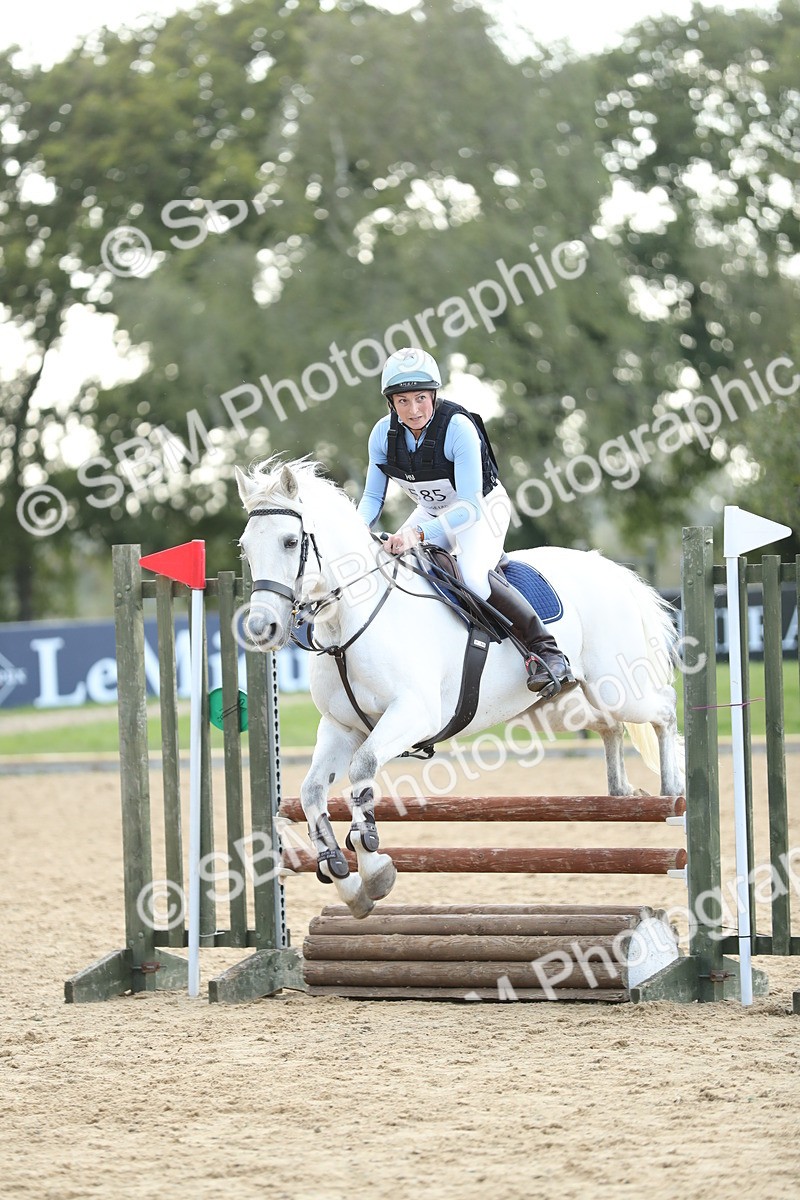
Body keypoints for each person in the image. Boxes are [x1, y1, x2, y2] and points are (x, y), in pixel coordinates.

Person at [357, 346, 575, 694]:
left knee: (473, 577)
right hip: (432, 511)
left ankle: (547, 651)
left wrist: (417, 532)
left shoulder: (458, 427)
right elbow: (371, 499)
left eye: (420, 399)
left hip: (482, 508)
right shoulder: (382, 435)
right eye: (402, 401)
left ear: (433, 395)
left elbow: (470, 508)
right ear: (391, 403)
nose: (413, 410)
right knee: (391, 567)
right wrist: (356, 531)